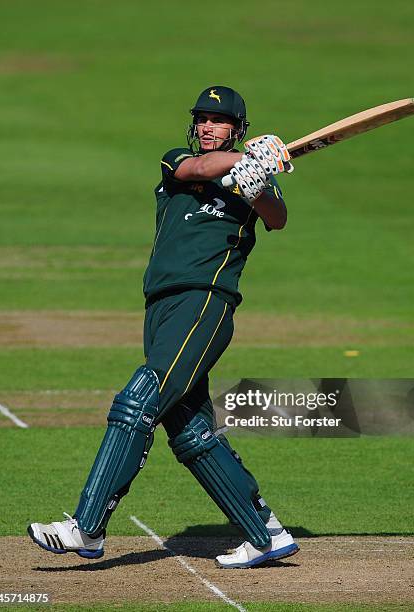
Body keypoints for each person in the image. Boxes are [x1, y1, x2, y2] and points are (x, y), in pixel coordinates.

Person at [28, 86, 299, 569]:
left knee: (139, 400)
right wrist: (243, 161)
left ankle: (87, 528)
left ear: (238, 127)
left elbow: (277, 219)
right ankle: (266, 535)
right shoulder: (177, 161)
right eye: (202, 120)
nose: (208, 128)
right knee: (191, 431)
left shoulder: (255, 178)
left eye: (219, 121)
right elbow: (192, 169)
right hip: (160, 308)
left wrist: (257, 179)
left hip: (204, 302)